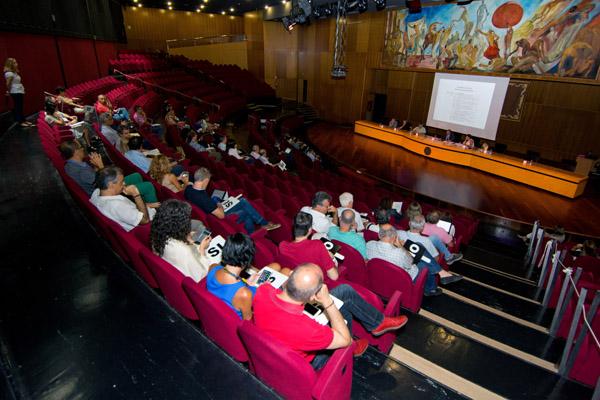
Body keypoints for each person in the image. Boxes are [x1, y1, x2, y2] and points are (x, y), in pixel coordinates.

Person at [253, 263, 409, 369]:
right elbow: (344, 339)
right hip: (309, 361)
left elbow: (255, 281)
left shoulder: (263, 291)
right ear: (314, 296)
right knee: (340, 318)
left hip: (280, 338)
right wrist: (327, 302)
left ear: (291, 275)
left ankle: (377, 323)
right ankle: (352, 349)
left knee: (344, 291)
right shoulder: (309, 330)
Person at [367, 224, 460, 296]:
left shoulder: (369, 244)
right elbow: (410, 263)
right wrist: (401, 247)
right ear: (394, 237)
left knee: (418, 246)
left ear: (379, 235)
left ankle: (441, 273)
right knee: (424, 264)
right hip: (402, 278)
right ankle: (431, 287)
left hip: (380, 274)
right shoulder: (400, 253)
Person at [59, 140, 159, 204]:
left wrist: (96, 167)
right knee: (148, 185)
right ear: (76, 152)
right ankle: (152, 209)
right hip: (105, 192)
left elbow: (95, 175)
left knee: (137, 176)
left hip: (104, 183)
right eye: (80, 148)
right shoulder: (79, 171)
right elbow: (104, 182)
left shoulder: (71, 164)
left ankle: (141, 201)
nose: (83, 149)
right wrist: (100, 165)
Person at [184, 167, 280, 234]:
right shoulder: (203, 199)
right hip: (218, 216)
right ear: (205, 180)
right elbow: (221, 216)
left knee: (242, 201)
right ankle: (263, 224)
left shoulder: (188, 189)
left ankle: (255, 230)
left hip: (211, 211)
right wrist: (218, 203)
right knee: (244, 208)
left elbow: (188, 183)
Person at [151, 199, 211, 283]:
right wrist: (202, 249)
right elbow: (202, 275)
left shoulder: (157, 233)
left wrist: (188, 239)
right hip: (200, 277)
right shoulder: (184, 251)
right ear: (179, 225)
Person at [206, 233, 258, 320]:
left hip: (215, 318)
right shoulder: (244, 293)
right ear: (248, 259)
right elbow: (247, 323)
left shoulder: (213, 267)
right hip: (233, 325)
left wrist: (247, 284)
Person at [90, 166, 156, 232]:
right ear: (111, 185)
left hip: (142, 212)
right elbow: (145, 220)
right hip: (151, 222)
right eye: (121, 182)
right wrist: (136, 194)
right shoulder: (117, 206)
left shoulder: (96, 192)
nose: (124, 183)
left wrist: (146, 205)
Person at [280, 212, 340, 281]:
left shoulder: (283, 246)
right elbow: (334, 277)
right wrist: (331, 258)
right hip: (320, 282)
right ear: (310, 230)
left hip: (301, 278)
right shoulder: (317, 245)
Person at [4, 58, 31, 127]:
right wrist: (8, 91)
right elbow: (8, 84)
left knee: (20, 107)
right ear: (10, 64)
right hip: (15, 91)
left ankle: (24, 120)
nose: (16, 64)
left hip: (19, 90)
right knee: (18, 107)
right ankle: (20, 122)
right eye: (14, 63)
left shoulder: (14, 72)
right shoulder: (9, 73)